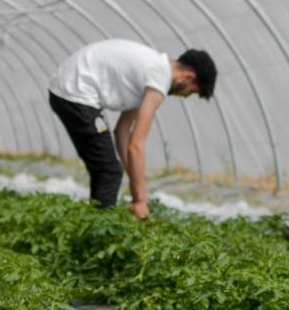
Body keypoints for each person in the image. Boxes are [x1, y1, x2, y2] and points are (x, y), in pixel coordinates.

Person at [47, 39, 217, 217]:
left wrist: (134, 181)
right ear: (188, 77)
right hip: (76, 94)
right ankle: (99, 234)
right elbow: (136, 145)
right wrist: (140, 200)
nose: (184, 96)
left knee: (109, 170)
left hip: (68, 91)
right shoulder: (159, 77)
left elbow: (123, 132)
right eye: (190, 91)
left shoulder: (151, 73)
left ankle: (97, 223)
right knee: (108, 171)